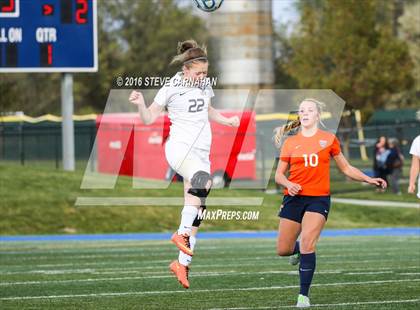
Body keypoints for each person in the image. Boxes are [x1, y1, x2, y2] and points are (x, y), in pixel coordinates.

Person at [129, 40, 239, 289]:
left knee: (198, 211)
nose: (202, 77)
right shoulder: (171, 87)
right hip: (179, 150)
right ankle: (180, 234)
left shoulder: (204, 85)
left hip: (201, 154)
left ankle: (181, 263)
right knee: (205, 181)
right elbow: (148, 119)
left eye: (205, 73)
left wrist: (227, 121)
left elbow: (209, 110)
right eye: (198, 73)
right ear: (186, 69)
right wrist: (139, 104)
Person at [273, 99, 387, 308]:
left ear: (318, 115)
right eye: (301, 110)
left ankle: (303, 296)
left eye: (310, 110)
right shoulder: (290, 142)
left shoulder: (329, 139)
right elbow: (279, 175)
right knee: (282, 249)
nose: (305, 113)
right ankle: (297, 249)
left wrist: (369, 179)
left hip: (318, 199)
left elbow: (346, 168)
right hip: (293, 198)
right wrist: (289, 183)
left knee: (308, 242)